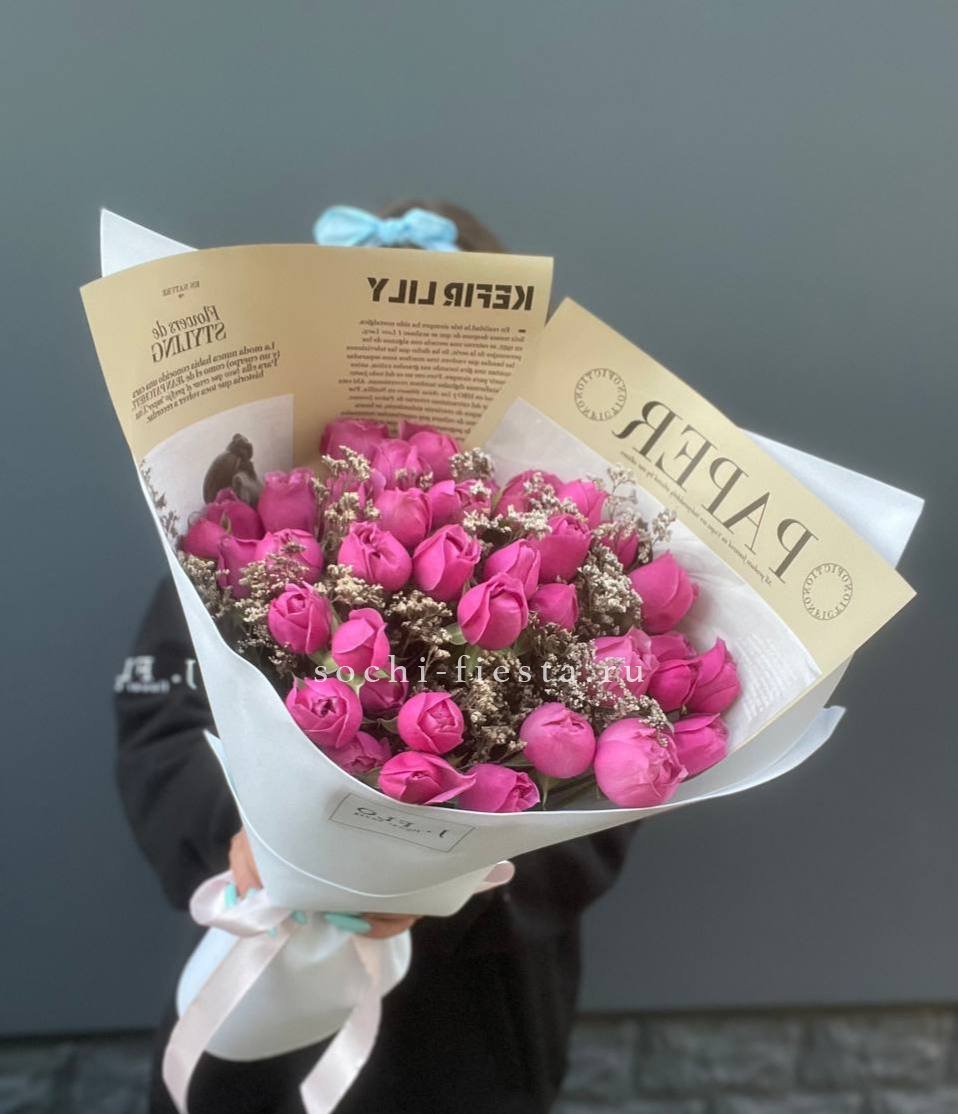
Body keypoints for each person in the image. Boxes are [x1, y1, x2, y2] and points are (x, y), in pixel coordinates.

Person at [114, 200, 638, 1114]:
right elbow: (161, 720)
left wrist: (463, 881)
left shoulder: (563, 562)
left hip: (471, 1022)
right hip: (259, 980)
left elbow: (611, 790)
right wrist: (251, 843)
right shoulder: (243, 542)